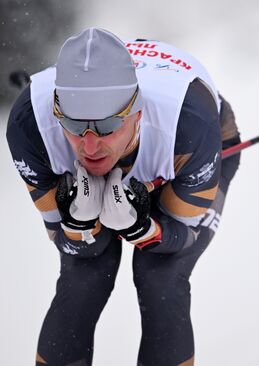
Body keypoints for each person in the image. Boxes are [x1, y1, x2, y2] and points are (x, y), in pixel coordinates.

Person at [6, 27, 241, 366]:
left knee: (160, 275)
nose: (89, 146)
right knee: (85, 271)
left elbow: (182, 237)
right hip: (148, 146)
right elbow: (69, 242)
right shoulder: (30, 126)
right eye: (73, 125)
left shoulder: (189, 128)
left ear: (137, 112)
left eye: (107, 125)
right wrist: (79, 224)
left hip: (188, 153)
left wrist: (143, 230)